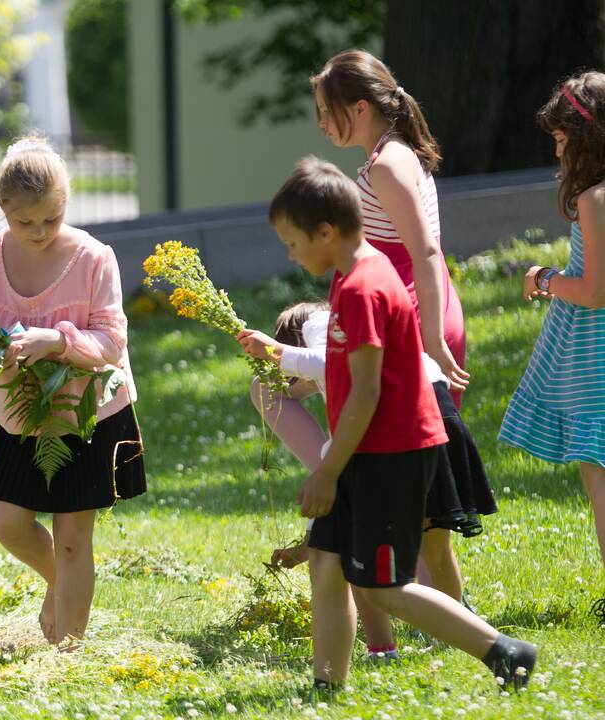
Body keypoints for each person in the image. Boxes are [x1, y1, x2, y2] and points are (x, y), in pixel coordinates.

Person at [266, 155, 535, 693]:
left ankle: (503, 650)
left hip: (390, 453)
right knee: (325, 559)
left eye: (293, 243)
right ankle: (327, 686)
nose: (291, 255)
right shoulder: (352, 276)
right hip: (364, 450)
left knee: (384, 586)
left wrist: (327, 470)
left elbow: (366, 393)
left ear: (325, 231)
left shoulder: (364, 288)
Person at [0, 135, 146, 645]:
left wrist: (56, 341)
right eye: (25, 222)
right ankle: (60, 585)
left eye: (52, 218)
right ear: (3, 208)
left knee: (71, 536)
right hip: (23, 411)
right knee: (7, 522)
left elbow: (111, 341)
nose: (39, 231)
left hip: (88, 409)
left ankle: (69, 650)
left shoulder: (93, 257)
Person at [240, 301, 497, 660]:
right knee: (437, 547)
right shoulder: (361, 323)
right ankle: (455, 638)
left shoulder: (317, 326)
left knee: (356, 547)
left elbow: (334, 365)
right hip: (438, 415)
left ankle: (382, 649)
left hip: (401, 427)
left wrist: (278, 352)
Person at [499, 71, 605, 623]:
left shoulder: (594, 199)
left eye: (563, 140)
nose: (558, 152)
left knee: (600, 478)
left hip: (596, 358)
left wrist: (543, 278)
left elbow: (594, 292)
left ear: (588, 140)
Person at [312, 50, 469, 405]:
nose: (321, 122)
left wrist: (432, 341)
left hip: (412, 314)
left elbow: (425, 251)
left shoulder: (387, 164)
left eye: (326, 111)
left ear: (361, 108)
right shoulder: (389, 154)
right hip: (409, 309)